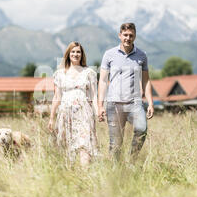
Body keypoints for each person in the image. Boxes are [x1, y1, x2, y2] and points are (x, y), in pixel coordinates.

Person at [97, 22, 154, 162]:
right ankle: (115, 173)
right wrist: (100, 105)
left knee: (141, 129)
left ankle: (131, 161)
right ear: (120, 35)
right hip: (114, 104)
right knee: (116, 143)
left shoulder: (142, 55)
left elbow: (146, 81)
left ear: (135, 36)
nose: (128, 38)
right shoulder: (109, 54)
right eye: (125, 35)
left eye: (131, 35)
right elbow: (103, 81)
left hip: (134, 103)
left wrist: (151, 103)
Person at [48, 41, 98, 166]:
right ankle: (69, 176)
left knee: (84, 144)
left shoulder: (89, 73)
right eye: (73, 51)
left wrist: (98, 112)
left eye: (78, 52)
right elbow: (57, 97)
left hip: (84, 113)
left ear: (82, 54)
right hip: (65, 113)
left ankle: (84, 175)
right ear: (68, 54)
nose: (76, 54)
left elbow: (94, 96)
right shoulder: (60, 74)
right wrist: (51, 117)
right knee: (67, 146)